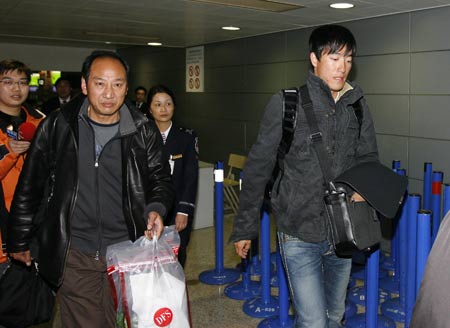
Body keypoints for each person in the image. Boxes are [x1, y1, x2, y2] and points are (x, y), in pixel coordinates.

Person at [6, 51, 175, 328]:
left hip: (127, 251)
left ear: (127, 88)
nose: (109, 93)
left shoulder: (143, 130)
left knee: (122, 320)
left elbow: (160, 179)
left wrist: (156, 208)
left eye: (117, 84)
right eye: (100, 83)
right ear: (84, 85)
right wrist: (19, 239)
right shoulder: (58, 125)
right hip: (75, 250)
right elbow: (30, 186)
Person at [230, 25, 378, 328]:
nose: (343, 67)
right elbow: (258, 168)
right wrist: (245, 228)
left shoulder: (357, 106)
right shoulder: (287, 103)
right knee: (312, 321)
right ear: (314, 58)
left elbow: (368, 158)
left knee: (334, 316)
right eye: (334, 58)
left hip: (343, 231)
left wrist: (364, 190)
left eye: (349, 59)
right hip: (297, 230)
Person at [148, 84, 199, 268]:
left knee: (176, 258)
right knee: (150, 259)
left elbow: (190, 176)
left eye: (168, 104)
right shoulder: (142, 136)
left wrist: (184, 210)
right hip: (150, 209)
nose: (163, 109)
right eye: (158, 104)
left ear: (174, 107)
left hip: (177, 208)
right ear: (150, 108)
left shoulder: (186, 138)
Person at [0, 59, 44, 263]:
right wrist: (9, 151)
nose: (16, 88)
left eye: (22, 82)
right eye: (8, 82)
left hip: (36, 225)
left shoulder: (40, 122)